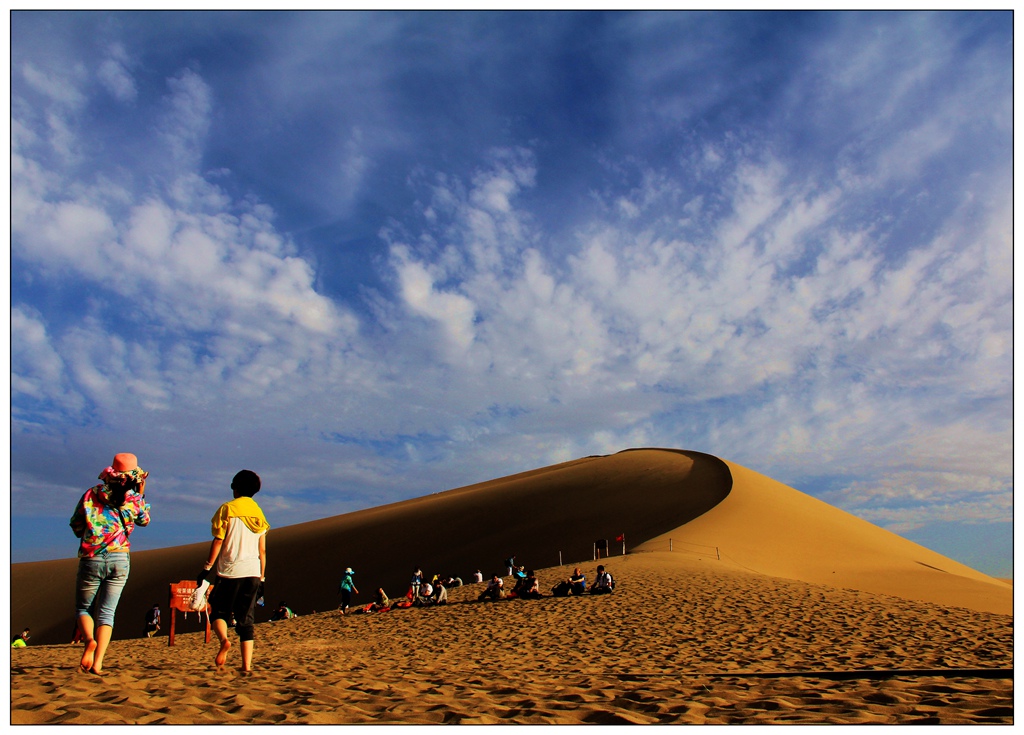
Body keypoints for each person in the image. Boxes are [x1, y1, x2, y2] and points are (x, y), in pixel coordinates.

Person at [70, 453, 151, 675]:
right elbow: (144, 520)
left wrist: (86, 533)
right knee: (107, 614)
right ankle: (98, 663)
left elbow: (76, 523)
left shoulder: (91, 494)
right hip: (120, 559)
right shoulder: (133, 499)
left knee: (83, 608)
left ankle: (88, 640)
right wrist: (140, 494)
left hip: (91, 557)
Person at [200, 469, 269, 674]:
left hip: (229, 572)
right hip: (254, 572)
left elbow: (218, 540)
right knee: (247, 619)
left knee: (218, 612)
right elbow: (262, 550)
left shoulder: (227, 509)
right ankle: (246, 666)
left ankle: (224, 640)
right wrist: (262, 577)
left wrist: (206, 568)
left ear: (235, 487)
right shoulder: (259, 513)